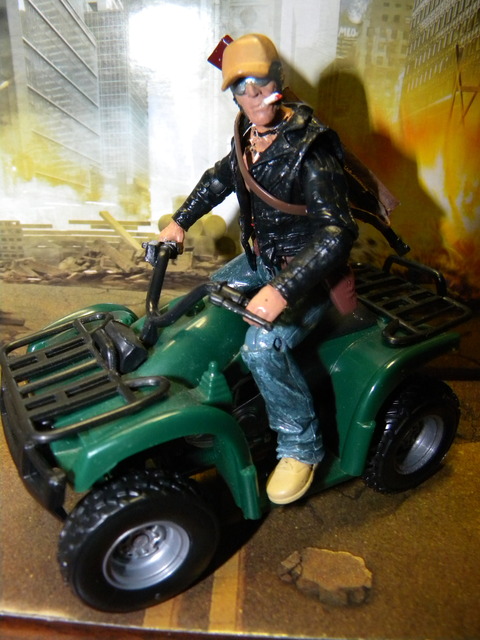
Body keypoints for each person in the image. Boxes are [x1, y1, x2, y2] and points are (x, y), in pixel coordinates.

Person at [160, 33, 358, 505]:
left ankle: (301, 447)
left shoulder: (312, 149)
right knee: (210, 295)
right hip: (260, 259)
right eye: (240, 89)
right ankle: (222, 393)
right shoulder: (249, 138)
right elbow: (218, 180)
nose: (252, 97)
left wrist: (282, 290)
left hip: (309, 276)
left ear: (278, 82)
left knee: (263, 346)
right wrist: (180, 221)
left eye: (260, 85)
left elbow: (337, 234)